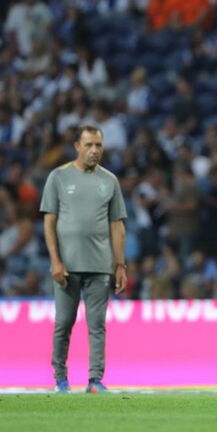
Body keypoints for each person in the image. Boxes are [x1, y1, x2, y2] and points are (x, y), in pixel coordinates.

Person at [40, 126, 127, 394]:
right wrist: (56, 261)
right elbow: (49, 223)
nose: (94, 150)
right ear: (77, 146)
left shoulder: (110, 181)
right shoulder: (59, 177)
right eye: (89, 145)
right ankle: (60, 379)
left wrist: (120, 265)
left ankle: (95, 380)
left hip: (100, 266)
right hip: (67, 267)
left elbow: (117, 226)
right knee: (63, 324)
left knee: (97, 325)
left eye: (98, 145)